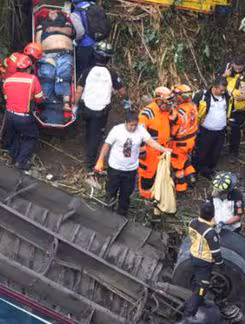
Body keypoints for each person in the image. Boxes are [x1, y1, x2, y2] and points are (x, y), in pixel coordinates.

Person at [95, 110, 169, 216]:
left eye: (135, 125)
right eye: (131, 125)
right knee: (111, 191)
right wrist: (100, 160)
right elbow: (107, 145)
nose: (133, 128)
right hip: (115, 168)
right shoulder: (117, 130)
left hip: (130, 170)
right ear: (125, 122)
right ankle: (108, 212)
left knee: (126, 194)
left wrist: (164, 150)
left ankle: (122, 214)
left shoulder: (141, 130)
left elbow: (151, 142)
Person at [74, 41, 125, 170]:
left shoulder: (87, 71)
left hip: (86, 109)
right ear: (108, 58)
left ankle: (87, 144)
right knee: (95, 136)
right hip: (100, 112)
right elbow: (122, 92)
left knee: (89, 128)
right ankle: (89, 164)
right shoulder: (112, 73)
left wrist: (74, 105)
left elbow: (79, 91)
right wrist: (124, 98)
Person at [1, 54, 44, 171]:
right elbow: (39, 99)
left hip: (9, 115)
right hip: (23, 117)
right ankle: (21, 162)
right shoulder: (32, 79)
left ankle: (13, 157)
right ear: (29, 68)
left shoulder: (8, 80)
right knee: (30, 137)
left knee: (13, 136)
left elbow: (6, 97)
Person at [182, 202, 223, 322]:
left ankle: (200, 300)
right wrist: (221, 264)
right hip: (204, 261)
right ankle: (189, 313)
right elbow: (216, 252)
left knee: (198, 281)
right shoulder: (210, 233)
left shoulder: (193, 223)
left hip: (193, 256)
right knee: (202, 287)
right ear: (212, 215)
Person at [137, 87, 174, 199]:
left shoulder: (166, 111)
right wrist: (141, 151)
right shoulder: (147, 114)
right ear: (159, 100)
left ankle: (156, 194)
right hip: (149, 151)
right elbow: (139, 133)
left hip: (162, 149)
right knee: (147, 174)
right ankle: (145, 196)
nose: (169, 105)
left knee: (159, 173)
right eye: (167, 102)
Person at [191, 77, 230, 179]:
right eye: (221, 90)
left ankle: (207, 171)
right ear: (214, 87)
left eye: (224, 90)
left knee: (215, 152)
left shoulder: (227, 96)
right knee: (201, 152)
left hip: (220, 131)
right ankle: (194, 171)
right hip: (205, 130)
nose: (223, 92)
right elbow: (191, 109)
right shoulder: (202, 96)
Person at [169, 84, 199, 192]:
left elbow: (175, 126)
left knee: (177, 166)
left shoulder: (179, 111)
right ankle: (191, 177)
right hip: (191, 139)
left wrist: (170, 136)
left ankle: (181, 187)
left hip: (180, 142)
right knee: (185, 159)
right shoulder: (193, 106)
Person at [71, 1, 110, 73]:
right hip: (98, 44)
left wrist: (75, 41)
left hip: (85, 46)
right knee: (93, 69)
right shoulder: (93, 6)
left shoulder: (76, 12)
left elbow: (80, 32)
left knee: (82, 70)